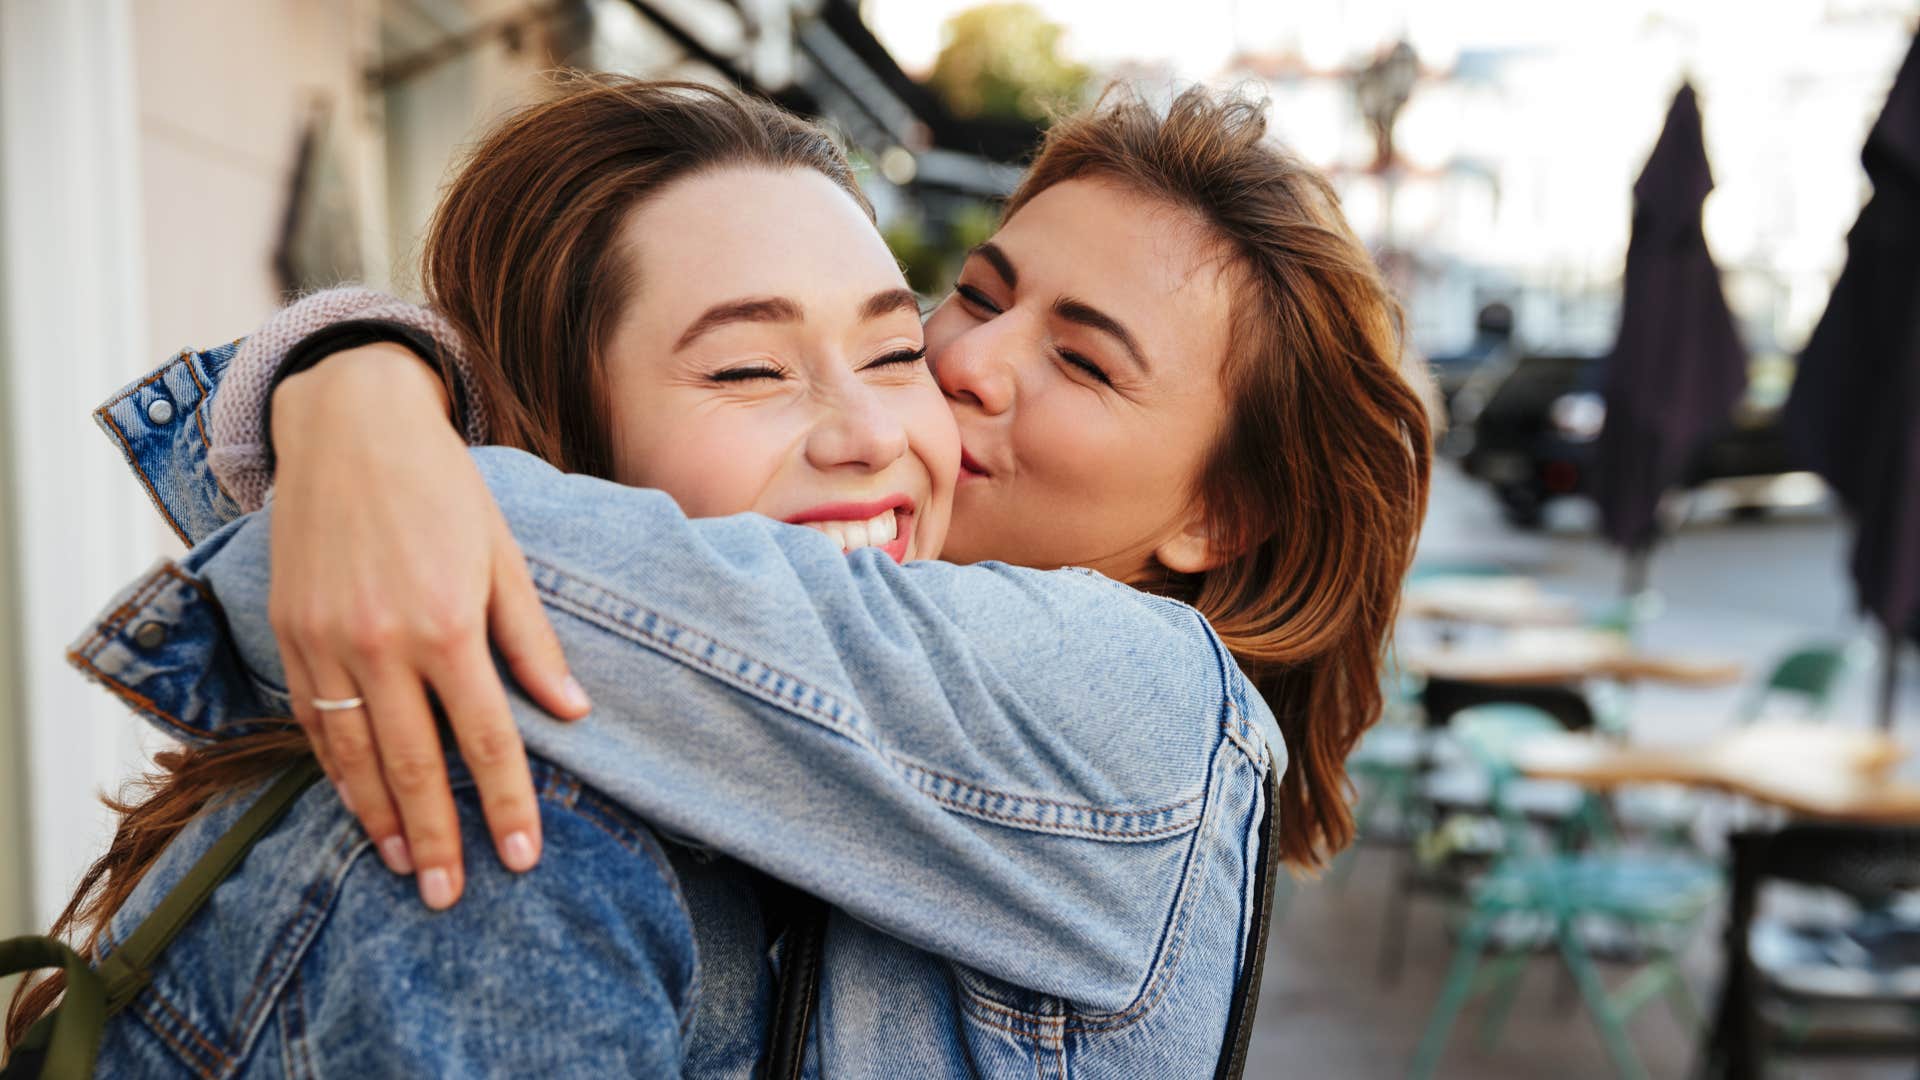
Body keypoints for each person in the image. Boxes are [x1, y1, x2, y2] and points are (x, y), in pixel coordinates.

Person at [11, 76, 1430, 1077]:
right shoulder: (568, 829)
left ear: (1218, 518)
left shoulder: (1140, 701)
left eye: (1084, 358)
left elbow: (430, 553)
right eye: (973, 300)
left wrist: (348, 403)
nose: (957, 370)